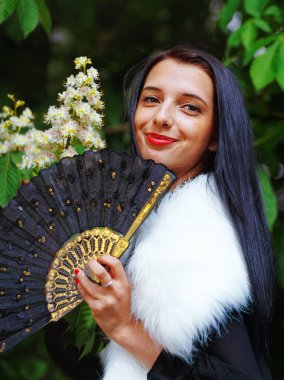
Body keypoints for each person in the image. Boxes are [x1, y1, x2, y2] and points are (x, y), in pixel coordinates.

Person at [46, 46, 274, 380]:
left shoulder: (197, 234)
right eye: (151, 99)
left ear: (215, 137)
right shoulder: (132, 218)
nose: (162, 117)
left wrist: (125, 328)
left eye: (190, 107)